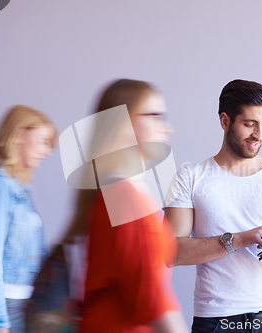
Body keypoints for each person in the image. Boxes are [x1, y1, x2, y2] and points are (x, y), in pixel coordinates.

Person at [164, 79, 262, 333]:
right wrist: (238, 239)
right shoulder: (190, 177)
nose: (258, 134)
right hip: (217, 321)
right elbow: (170, 251)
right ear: (225, 121)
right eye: (249, 124)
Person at [66, 79, 188, 333]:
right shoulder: (123, 197)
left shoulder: (114, 192)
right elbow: (153, 299)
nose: (168, 128)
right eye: (155, 116)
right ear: (123, 122)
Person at [0, 105, 56, 333]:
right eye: (43, 141)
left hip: (18, 306)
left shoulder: (20, 188)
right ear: (19, 136)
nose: (47, 151)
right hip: (1, 308)